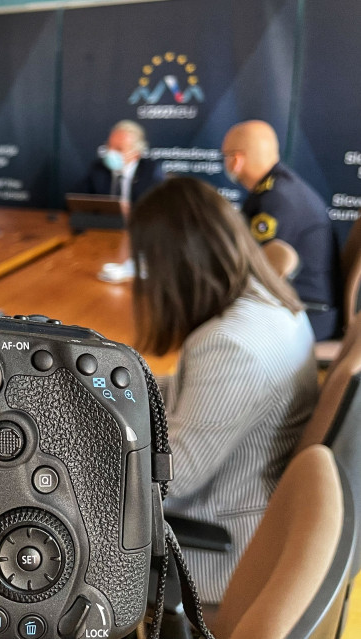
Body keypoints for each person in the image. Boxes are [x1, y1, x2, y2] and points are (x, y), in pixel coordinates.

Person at [129, 177, 318, 603]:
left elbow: (175, 481)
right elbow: (194, 392)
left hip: (220, 543)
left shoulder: (230, 344)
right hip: (256, 504)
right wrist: (105, 388)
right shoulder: (270, 300)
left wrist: (87, 443)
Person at [221, 119, 340, 341]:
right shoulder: (277, 190)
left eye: (226, 156)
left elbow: (262, 271)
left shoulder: (276, 200)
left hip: (306, 315)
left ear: (236, 160)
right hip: (300, 309)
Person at [84, 120, 164, 204]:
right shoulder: (98, 168)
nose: (111, 152)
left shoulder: (150, 172)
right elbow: (76, 200)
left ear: (136, 153)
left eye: (119, 149)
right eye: (109, 146)